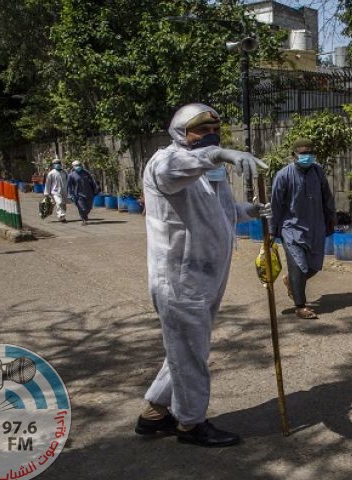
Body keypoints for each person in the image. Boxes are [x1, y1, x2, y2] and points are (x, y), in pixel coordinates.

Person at [136, 103, 271, 447]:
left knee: (185, 349)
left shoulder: (210, 172)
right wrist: (219, 152)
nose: (210, 137)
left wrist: (249, 211)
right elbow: (179, 167)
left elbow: (220, 212)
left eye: (215, 132)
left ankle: (154, 414)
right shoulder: (165, 163)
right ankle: (191, 423)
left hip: (207, 279)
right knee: (190, 351)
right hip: (179, 280)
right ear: (181, 134)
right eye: (201, 131)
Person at [270, 138, 336, 319]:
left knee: (313, 267)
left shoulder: (318, 172)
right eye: (303, 153)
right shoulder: (283, 176)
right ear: (294, 155)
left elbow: (327, 197)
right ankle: (300, 305)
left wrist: (331, 217)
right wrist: (272, 230)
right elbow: (275, 204)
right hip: (291, 229)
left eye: (310, 153)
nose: (307, 156)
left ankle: (292, 281)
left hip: (316, 227)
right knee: (299, 266)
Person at [66, 160, 99, 225]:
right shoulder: (71, 175)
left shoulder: (86, 173)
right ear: (73, 167)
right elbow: (69, 186)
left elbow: (92, 181)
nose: (78, 167)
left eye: (79, 165)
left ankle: (85, 216)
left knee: (89, 208)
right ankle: (84, 219)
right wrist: (70, 194)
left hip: (89, 193)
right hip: (78, 195)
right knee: (82, 208)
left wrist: (95, 189)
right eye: (76, 165)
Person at [43, 158, 69, 222]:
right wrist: (46, 193)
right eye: (55, 163)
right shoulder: (51, 173)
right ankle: (60, 215)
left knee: (63, 204)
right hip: (55, 191)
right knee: (59, 202)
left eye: (58, 163)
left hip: (64, 191)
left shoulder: (64, 172)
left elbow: (68, 181)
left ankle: (62, 218)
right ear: (53, 165)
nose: (57, 164)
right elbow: (48, 183)